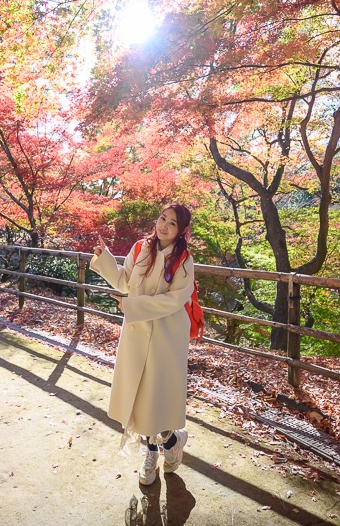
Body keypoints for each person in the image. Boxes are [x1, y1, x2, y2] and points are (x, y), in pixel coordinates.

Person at [90, 203, 194, 486]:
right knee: (139, 398)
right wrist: (106, 260)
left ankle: (167, 443)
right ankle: (159, 448)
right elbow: (125, 282)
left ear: (181, 231)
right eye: (162, 219)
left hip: (166, 337)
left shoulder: (184, 260)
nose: (163, 226)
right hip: (137, 332)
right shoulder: (141, 248)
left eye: (172, 223)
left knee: (154, 397)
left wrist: (132, 305)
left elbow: (174, 301)